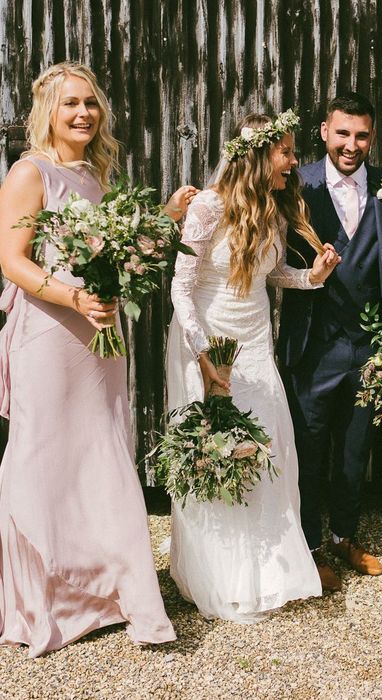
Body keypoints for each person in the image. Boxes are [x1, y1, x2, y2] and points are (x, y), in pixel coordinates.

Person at [0, 62, 192, 657]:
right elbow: (12, 259)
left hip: (100, 343)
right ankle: (45, 598)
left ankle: (109, 592)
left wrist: (160, 223)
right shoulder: (30, 172)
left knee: (102, 454)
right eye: (70, 105)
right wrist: (74, 297)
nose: (84, 113)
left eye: (91, 104)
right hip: (51, 337)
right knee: (43, 455)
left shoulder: (96, 176)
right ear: (48, 113)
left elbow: (115, 250)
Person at [166, 110, 341, 621]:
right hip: (208, 339)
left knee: (267, 442)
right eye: (286, 151)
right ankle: (218, 571)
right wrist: (203, 356)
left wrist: (315, 276)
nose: (294, 161)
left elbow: (273, 275)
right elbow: (181, 285)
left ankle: (267, 569)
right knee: (214, 448)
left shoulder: (274, 210)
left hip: (257, 340)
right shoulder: (208, 207)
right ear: (260, 154)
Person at [278, 93, 382, 591]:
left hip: (370, 342)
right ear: (324, 131)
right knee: (310, 450)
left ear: (371, 137)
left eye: (362, 135)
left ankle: (344, 537)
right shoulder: (294, 181)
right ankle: (310, 547)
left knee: (356, 449)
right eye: (343, 133)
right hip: (313, 343)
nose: (352, 145)